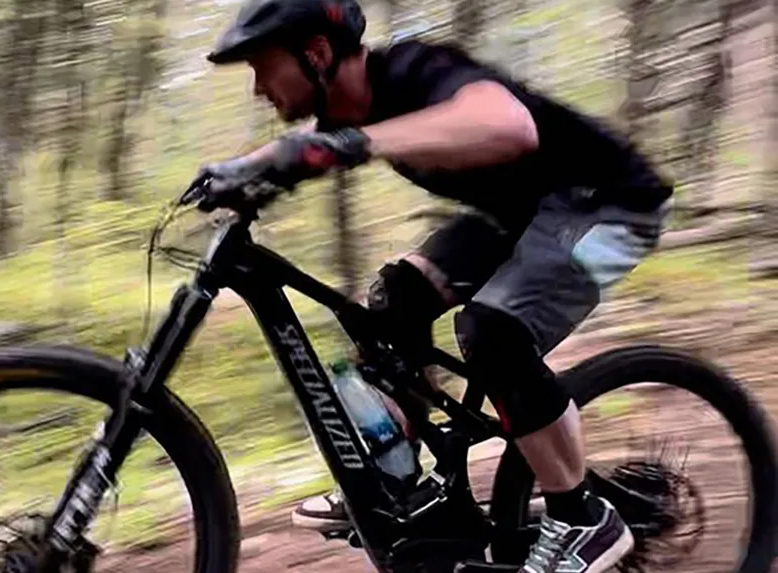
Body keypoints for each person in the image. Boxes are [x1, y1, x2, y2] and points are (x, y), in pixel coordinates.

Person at [199, 0, 673, 572]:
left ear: (318, 53)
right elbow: (306, 151)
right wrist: (239, 171)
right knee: (393, 305)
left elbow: (509, 126)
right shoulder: (348, 116)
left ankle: (582, 519)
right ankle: (403, 484)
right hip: (521, 215)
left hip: (615, 208)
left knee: (493, 331)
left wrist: (347, 146)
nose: (257, 88)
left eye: (261, 67)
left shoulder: (415, 70)